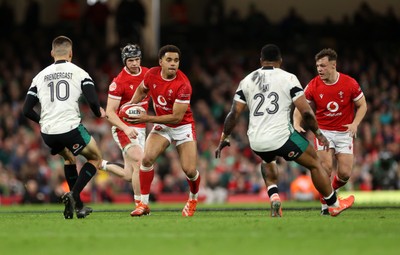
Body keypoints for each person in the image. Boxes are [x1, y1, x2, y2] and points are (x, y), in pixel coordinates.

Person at [215, 44, 354, 217]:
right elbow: (306, 112)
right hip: (281, 137)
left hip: (257, 140)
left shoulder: (247, 80)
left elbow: (233, 114)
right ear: (280, 61)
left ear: (261, 61)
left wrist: (224, 137)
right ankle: (333, 204)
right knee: (315, 163)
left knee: (267, 161)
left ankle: (274, 197)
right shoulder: (288, 78)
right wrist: (318, 133)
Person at [22, 35, 105, 219]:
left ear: (52, 53)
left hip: (48, 132)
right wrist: (99, 113)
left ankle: (79, 208)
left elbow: (26, 110)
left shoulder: (39, 76)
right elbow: (92, 100)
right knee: (96, 159)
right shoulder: (79, 73)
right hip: (70, 128)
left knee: (69, 159)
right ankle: (73, 195)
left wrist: (42, 122)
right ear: (71, 53)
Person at [126, 44, 201, 217]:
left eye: (176, 60)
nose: (173, 63)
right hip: (163, 125)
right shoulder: (151, 74)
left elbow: (176, 117)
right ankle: (143, 204)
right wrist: (131, 104)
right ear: (161, 61)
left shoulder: (183, 85)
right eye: (169, 60)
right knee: (146, 159)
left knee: (189, 170)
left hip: (182, 126)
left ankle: (193, 199)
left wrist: (147, 118)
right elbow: (142, 89)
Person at [293, 48, 367, 215]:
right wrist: (296, 123)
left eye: (323, 66)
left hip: (344, 132)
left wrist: (355, 123)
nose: (320, 69)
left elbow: (362, 105)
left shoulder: (350, 83)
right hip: (323, 132)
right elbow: (300, 106)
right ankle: (327, 206)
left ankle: (329, 194)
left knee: (345, 174)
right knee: (325, 169)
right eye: (318, 65)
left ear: (333, 65)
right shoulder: (313, 84)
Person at [102, 43, 149, 213]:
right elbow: (109, 113)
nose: (135, 63)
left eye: (137, 59)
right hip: (124, 128)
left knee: (130, 175)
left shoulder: (148, 74)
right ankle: (140, 205)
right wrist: (126, 128)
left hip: (141, 127)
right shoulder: (119, 82)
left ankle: (101, 164)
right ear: (125, 61)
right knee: (140, 162)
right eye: (131, 60)